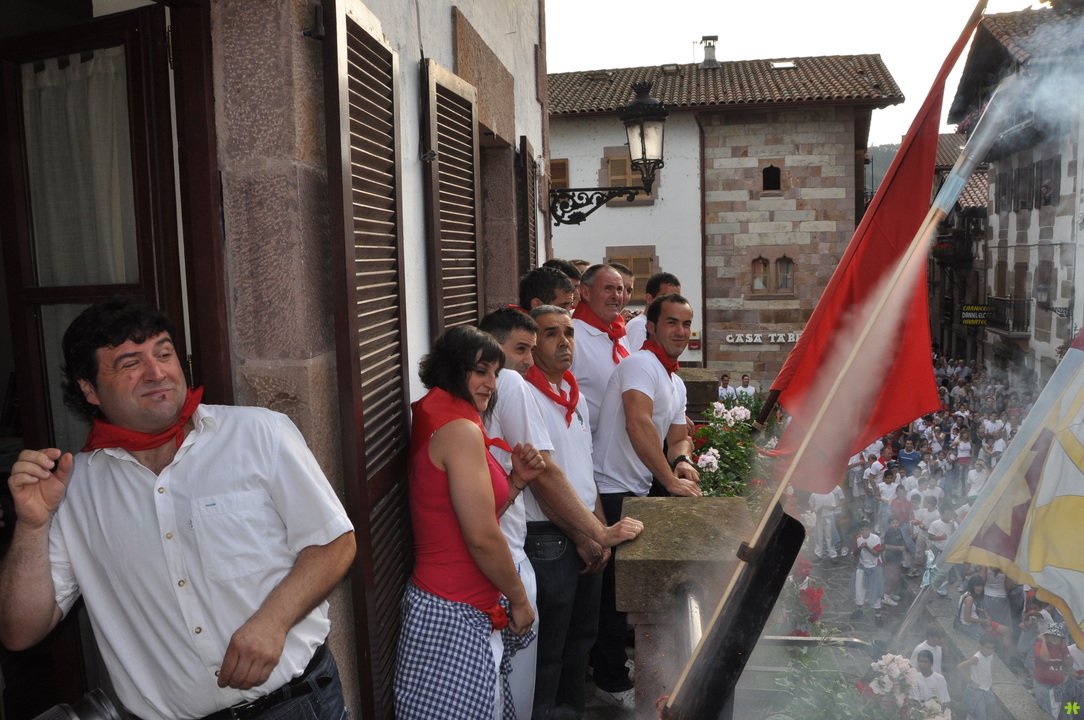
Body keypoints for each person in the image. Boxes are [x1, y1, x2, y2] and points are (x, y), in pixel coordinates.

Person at [0, 297, 357, 720]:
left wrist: (274, 620)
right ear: (89, 389)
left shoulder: (259, 433)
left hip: (297, 704)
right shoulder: (74, 489)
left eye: (164, 353)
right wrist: (31, 525)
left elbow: (334, 543)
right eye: (130, 363)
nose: (156, 373)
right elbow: (20, 631)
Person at [479, 308, 643, 718]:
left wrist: (600, 525)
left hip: (584, 530)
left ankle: (571, 712)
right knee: (548, 650)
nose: (564, 341)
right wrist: (592, 534)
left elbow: (584, 471)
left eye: (568, 332)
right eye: (550, 334)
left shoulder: (575, 394)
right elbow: (542, 475)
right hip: (548, 536)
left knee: (580, 642)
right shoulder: (519, 389)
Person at [395, 325, 545, 719]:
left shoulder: (443, 416)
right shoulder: (460, 430)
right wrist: (519, 599)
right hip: (454, 612)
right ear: (452, 369)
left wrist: (516, 482)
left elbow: (466, 515)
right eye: (481, 371)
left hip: (450, 605)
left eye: (495, 373)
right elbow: (481, 536)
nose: (491, 384)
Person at [590, 294, 701, 709]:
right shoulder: (640, 363)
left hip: (636, 489)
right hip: (612, 487)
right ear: (651, 327)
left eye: (686, 324)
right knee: (612, 595)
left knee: (624, 592)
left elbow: (678, 436)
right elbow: (638, 423)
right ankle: (608, 680)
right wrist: (669, 481)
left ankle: (614, 666)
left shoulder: (675, 380)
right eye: (671, 322)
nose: (680, 332)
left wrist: (683, 461)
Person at [569, 265, 632, 433]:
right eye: (608, 288)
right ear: (586, 293)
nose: (616, 296)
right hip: (589, 443)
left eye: (620, 289)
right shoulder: (571, 335)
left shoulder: (618, 332)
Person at [625, 272, 681, 352]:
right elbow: (638, 359)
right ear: (649, 299)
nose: (673, 304)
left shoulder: (658, 327)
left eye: (676, 299)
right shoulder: (640, 327)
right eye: (665, 298)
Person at [849, 521, 884, 626]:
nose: (864, 532)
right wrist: (856, 552)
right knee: (859, 590)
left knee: (876, 592)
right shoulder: (858, 538)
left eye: (866, 530)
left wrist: (866, 547)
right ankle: (859, 609)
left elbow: (876, 554)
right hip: (862, 566)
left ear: (870, 530)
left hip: (874, 567)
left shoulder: (875, 539)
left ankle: (878, 615)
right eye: (862, 530)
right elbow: (856, 551)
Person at [958, 636, 998, 720]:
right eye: (987, 648)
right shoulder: (976, 658)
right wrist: (970, 681)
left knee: (990, 712)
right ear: (981, 646)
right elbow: (959, 667)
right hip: (976, 690)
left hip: (986, 688)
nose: (990, 651)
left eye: (992, 648)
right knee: (979, 715)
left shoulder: (990, 655)